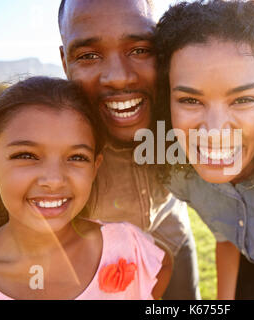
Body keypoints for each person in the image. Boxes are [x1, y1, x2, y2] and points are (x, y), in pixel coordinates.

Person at [154, 0, 254, 299]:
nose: (214, 131)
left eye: (242, 100)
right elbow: (227, 236)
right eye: (190, 100)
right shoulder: (182, 177)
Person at [0, 76, 171, 300]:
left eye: (76, 157)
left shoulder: (130, 249)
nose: (54, 180)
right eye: (26, 155)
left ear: (94, 167)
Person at [57, 0, 201, 299]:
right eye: (89, 55)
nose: (119, 76)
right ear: (64, 62)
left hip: (173, 240)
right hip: (96, 266)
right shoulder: (49, 136)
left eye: (139, 50)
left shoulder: (187, 110)